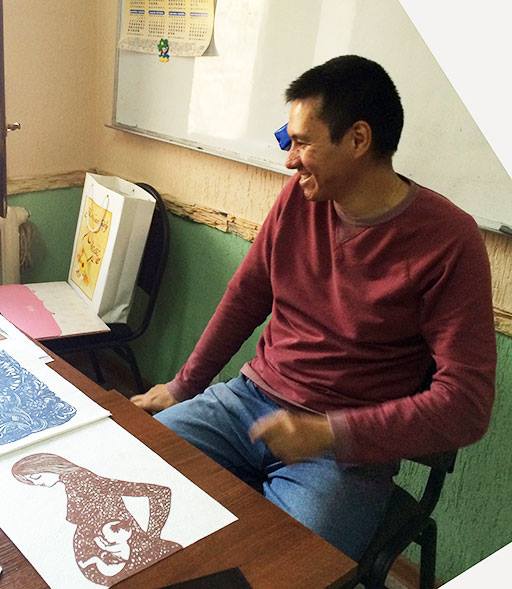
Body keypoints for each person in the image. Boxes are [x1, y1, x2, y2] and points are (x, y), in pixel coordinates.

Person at [131, 55, 496, 560]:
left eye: (302, 143)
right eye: (289, 140)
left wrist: (328, 434)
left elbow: (466, 405)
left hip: (341, 452)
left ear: (358, 139)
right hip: (247, 404)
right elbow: (245, 297)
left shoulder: (449, 240)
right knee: (134, 468)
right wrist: (183, 386)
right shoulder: (298, 200)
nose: (290, 160)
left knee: (289, 565)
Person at [12, 453, 182, 586]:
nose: (37, 483)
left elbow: (160, 492)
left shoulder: (85, 479)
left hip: (126, 557)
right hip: (108, 560)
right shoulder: (72, 483)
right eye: (30, 482)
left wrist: (152, 536)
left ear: (49, 466)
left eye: (36, 477)